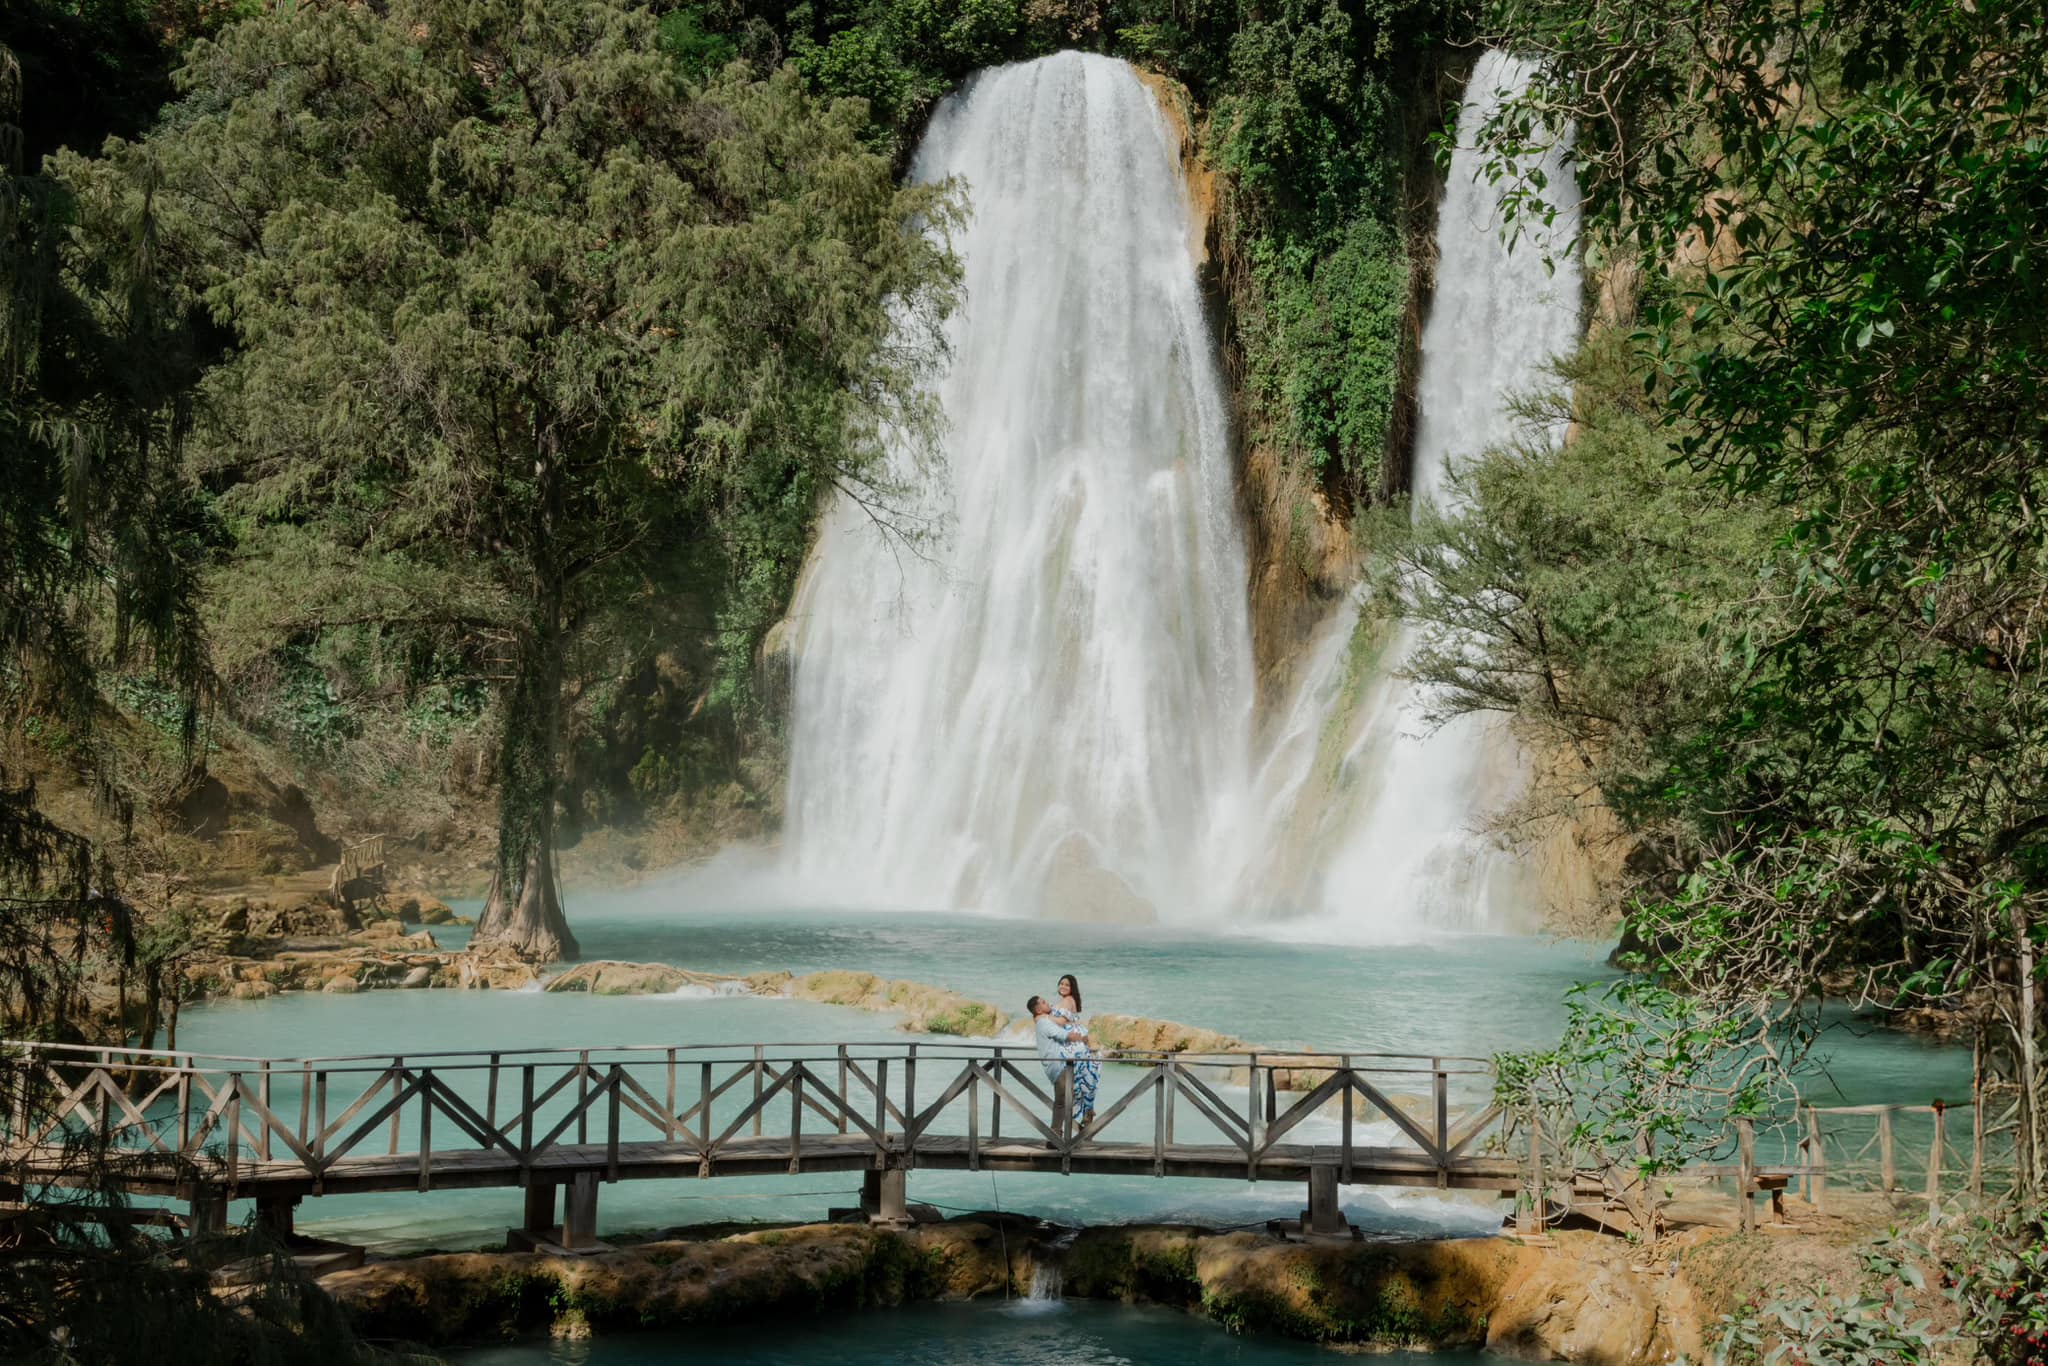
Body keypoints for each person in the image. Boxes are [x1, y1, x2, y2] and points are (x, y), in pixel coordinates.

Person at [1028, 995, 1095, 1129]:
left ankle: (1059, 1135)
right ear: (1038, 1009)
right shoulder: (1044, 1023)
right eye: (1044, 1002)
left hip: (1054, 1067)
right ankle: (1069, 1135)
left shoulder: (1041, 1022)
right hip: (1058, 1067)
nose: (1048, 1003)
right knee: (1063, 1101)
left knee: (1062, 1102)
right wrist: (1081, 1038)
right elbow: (1064, 1035)